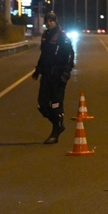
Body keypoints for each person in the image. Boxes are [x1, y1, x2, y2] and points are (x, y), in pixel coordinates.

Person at [32, 12, 75, 144]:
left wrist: (66, 72)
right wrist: (38, 70)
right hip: (46, 75)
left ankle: (55, 131)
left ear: (55, 21)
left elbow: (69, 55)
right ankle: (58, 125)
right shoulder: (45, 36)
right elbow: (43, 55)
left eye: (51, 20)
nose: (49, 22)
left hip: (58, 75)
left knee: (56, 105)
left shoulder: (62, 36)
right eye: (47, 20)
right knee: (42, 105)